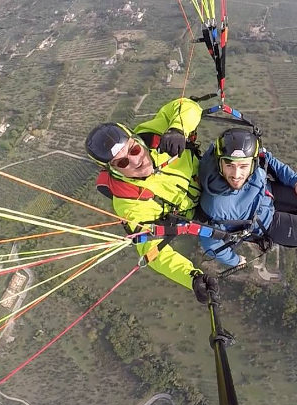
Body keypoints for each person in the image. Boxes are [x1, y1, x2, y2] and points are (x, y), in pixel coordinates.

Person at [85, 98, 217, 303]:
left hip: (211, 175)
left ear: (136, 139)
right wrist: (191, 277)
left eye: (134, 150)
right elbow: (151, 251)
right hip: (202, 212)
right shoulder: (128, 202)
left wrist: (177, 129)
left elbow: (187, 106)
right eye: (122, 162)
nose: (135, 160)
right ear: (112, 170)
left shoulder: (153, 133)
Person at [198, 127, 297, 267]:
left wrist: (296, 181)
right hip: (264, 223)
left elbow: (270, 160)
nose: (237, 175)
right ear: (219, 163)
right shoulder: (215, 205)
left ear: (252, 162)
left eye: (243, 166)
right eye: (230, 166)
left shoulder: (250, 153)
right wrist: (235, 261)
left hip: (269, 193)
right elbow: (211, 243)